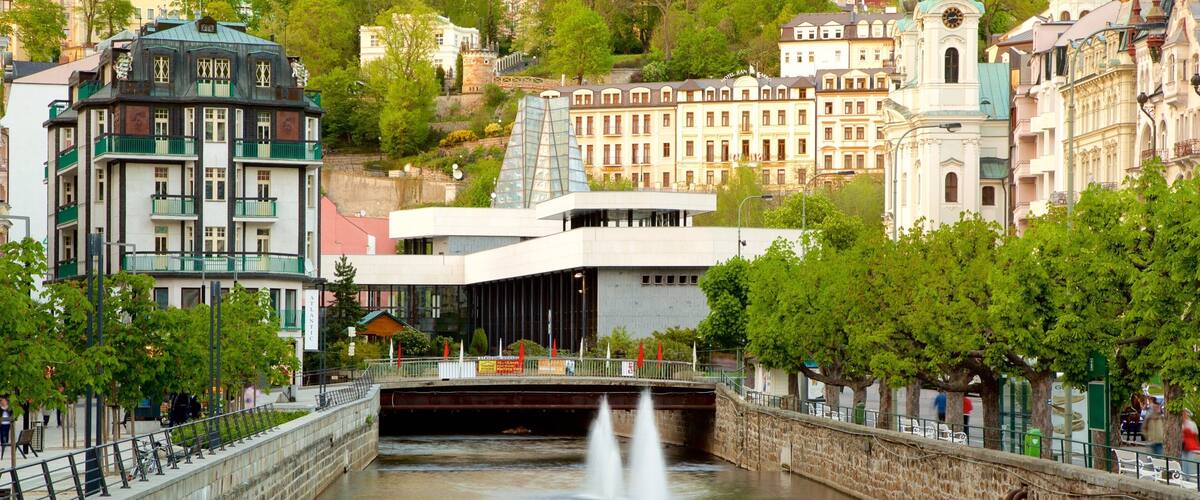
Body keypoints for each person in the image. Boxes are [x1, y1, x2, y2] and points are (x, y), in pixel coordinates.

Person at [1183, 409, 1199, 477]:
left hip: (1190, 446)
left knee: (1189, 462)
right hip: (1183, 446)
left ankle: (1188, 477)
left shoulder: (1192, 424)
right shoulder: (1179, 424)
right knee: (1184, 462)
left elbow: (1195, 435)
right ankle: (1185, 476)